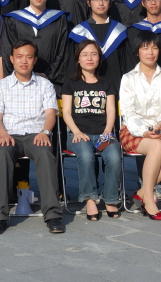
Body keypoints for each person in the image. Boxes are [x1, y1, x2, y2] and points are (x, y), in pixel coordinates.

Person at [0, 40, 64, 235]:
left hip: (35, 135)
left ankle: (53, 215)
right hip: (8, 134)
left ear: (34, 60)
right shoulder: (0, 86)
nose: (24, 61)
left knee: (46, 155)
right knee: (2, 155)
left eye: (29, 57)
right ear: (11, 59)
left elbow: (50, 114)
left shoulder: (45, 84)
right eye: (19, 57)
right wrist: (3, 134)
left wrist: (45, 132)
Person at [119, 33, 161, 221]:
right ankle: (149, 200)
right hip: (134, 130)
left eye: (154, 48)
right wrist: (145, 132)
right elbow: (128, 112)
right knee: (157, 146)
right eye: (145, 48)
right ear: (137, 52)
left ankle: (141, 192)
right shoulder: (129, 78)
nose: (150, 52)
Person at [61, 40, 122, 220]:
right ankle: (89, 199)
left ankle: (110, 199)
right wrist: (76, 131)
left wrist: (108, 130)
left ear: (99, 59)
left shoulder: (106, 83)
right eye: (85, 54)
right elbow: (66, 112)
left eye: (93, 54)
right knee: (87, 157)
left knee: (114, 156)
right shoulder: (70, 83)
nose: (89, 58)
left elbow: (111, 110)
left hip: (103, 133)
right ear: (78, 59)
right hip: (79, 134)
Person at [1, 0, 70, 91]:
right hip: (20, 84)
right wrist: (19, 77)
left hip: (51, 84)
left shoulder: (59, 19)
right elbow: (8, 53)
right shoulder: (13, 19)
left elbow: (63, 52)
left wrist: (48, 75)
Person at [67, 0, 129, 92]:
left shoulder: (120, 32)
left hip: (116, 91)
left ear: (110, 3)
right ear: (88, 2)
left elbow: (126, 66)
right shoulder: (78, 32)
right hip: (85, 95)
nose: (101, 3)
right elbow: (72, 68)